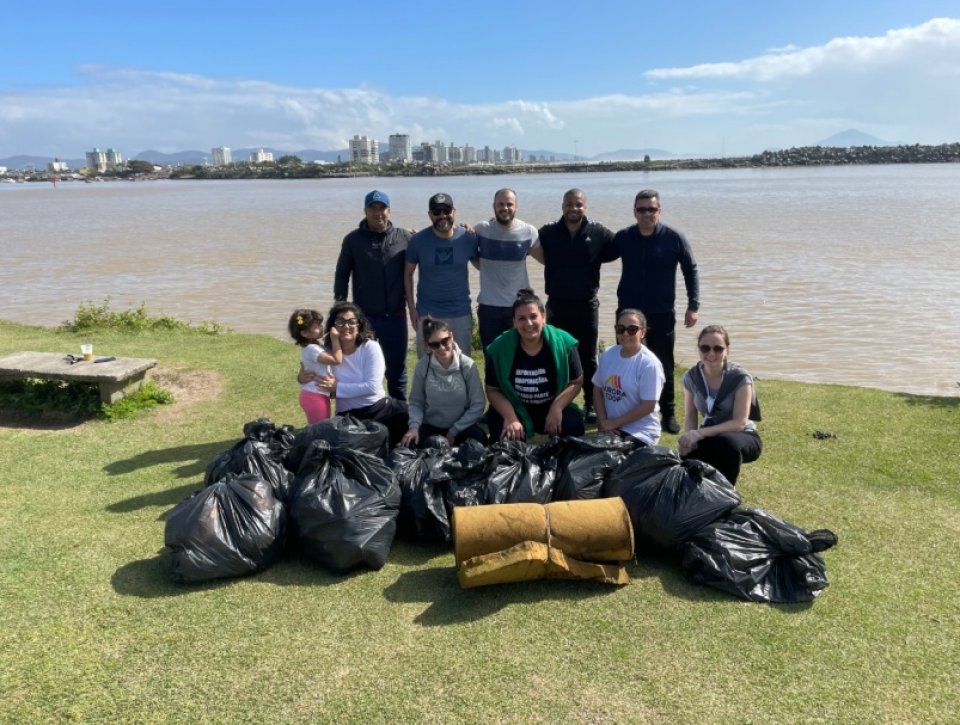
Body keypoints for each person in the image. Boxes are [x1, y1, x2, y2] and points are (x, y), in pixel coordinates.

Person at [614, 189, 700, 435]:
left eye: (651, 209)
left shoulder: (674, 238)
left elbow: (690, 269)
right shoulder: (624, 237)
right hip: (628, 313)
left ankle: (668, 412)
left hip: (661, 312)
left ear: (659, 211)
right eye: (641, 210)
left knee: (663, 363)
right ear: (634, 212)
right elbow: (595, 255)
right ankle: (624, 407)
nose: (646, 214)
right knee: (626, 361)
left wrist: (693, 305)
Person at [536, 188, 618, 424]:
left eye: (578, 204)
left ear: (585, 207)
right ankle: (555, 402)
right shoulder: (548, 232)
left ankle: (591, 404)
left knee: (588, 357)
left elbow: (622, 246)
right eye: (569, 204)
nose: (574, 209)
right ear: (562, 206)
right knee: (556, 354)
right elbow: (523, 238)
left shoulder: (598, 232)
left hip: (587, 305)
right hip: (557, 305)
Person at [333, 190, 411, 401]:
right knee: (362, 371)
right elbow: (342, 275)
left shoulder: (404, 237)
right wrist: (340, 311)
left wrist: (465, 229)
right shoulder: (352, 240)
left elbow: (433, 239)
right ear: (365, 211)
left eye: (382, 208)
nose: (378, 213)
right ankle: (365, 411)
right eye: (373, 208)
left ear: (389, 210)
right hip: (365, 320)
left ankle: (400, 413)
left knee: (397, 371)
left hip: (396, 317)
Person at [484, 289, 585, 441]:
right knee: (503, 432)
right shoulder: (498, 348)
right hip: (515, 406)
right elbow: (492, 390)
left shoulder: (565, 343)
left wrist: (557, 408)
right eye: (521, 319)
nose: (528, 324)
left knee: (573, 425)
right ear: (514, 322)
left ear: (543, 317)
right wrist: (510, 417)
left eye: (533, 317)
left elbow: (576, 382)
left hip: (550, 404)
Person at [303, 301, 409, 447]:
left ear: (359, 326)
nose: (346, 326)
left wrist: (337, 388)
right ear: (333, 326)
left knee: (412, 418)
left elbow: (372, 387)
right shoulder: (328, 352)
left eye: (352, 322)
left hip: (379, 408)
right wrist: (300, 377)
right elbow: (310, 375)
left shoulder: (370, 347)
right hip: (348, 415)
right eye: (340, 322)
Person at [678, 325, 762, 485]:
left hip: (743, 437)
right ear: (699, 349)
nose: (711, 354)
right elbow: (690, 416)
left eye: (718, 348)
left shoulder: (740, 378)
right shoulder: (691, 377)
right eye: (705, 348)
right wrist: (689, 439)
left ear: (727, 350)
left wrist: (700, 433)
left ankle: (726, 496)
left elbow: (739, 423)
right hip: (711, 434)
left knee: (726, 444)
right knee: (686, 457)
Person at [404, 193, 477, 355]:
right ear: (430, 215)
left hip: (460, 312)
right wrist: (411, 307)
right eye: (437, 212)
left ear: (454, 212)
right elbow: (408, 274)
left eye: (446, 210)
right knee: (428, 366)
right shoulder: (418, 241)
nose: (442, 215)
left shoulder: (468, 238)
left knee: (462, 364)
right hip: (428, 313)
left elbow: (482, 265)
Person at [400, 317, 487, 448]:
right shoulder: (423, 366)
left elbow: (478, 404)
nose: (441, 348)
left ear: (451, 337)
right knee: (410, 443)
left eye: (445, 341)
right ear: (428, 345)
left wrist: (454, 431)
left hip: (461, 428)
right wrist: (414, 427)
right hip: (431, 427)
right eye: (435, 344)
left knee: (479, 441)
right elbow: (416, 402)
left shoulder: (467, 365)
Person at [473, 188, 544, 351]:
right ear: (494, 206)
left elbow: (547, 261)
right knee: (491, 356)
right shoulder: (481, 230)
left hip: (518, 306)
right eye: (501, 204)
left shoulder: (528, 232)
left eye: (509, 204)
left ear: (516, 207)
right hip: (488, 307)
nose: (505, 208)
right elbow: (466, 250)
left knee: (519, 355)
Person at [592, 309, 665, 445]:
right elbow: (597, 389)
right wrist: (603, 422)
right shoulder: (608, 354)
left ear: (642, 332)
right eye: (620, 329)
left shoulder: (649, 364)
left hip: (641, 431)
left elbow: (648, 405)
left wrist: (613, 423)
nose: (625, 334)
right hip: (610, 427)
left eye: (632, 329)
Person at [289, 308, 342, 424]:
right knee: (320, 431)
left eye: (321, 324)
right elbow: (337, 360)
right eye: (317, 326)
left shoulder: (312, 347)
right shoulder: (312, 349)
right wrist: (335, 339)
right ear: (305, 333)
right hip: (315, 396)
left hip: (315, 395)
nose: (322, 328)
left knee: (320, 429)